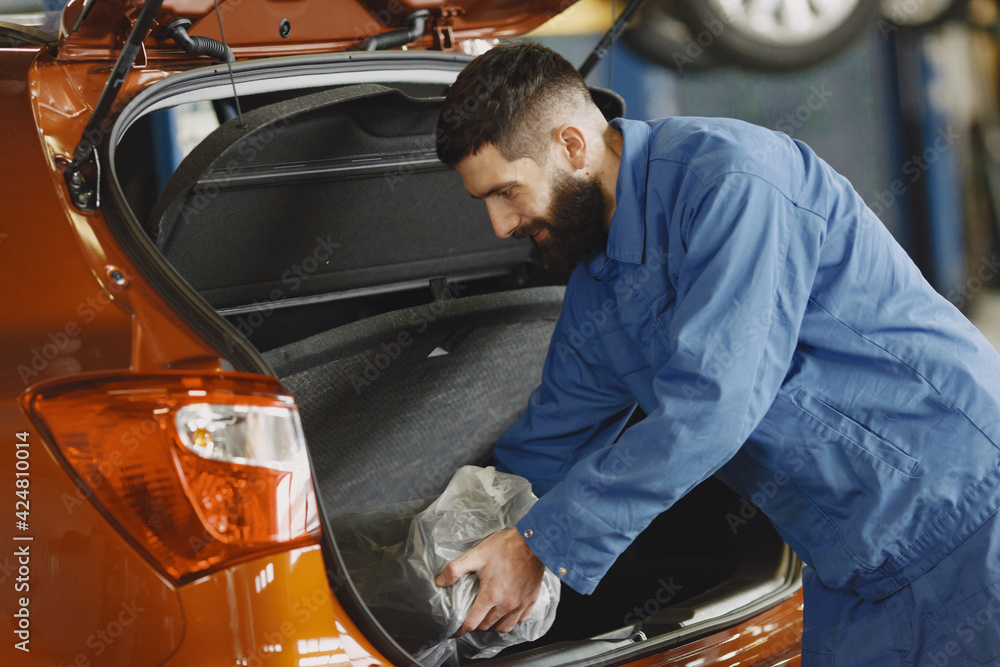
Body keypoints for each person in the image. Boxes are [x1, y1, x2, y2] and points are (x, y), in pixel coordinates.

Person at [431, 41, 1000, 664]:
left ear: (571, 145)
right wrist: (441, 556)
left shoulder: (732, 181)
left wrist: (540, 544)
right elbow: (546, 442)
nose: (501, 225)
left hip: (965, 515)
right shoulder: (600, 285)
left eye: (507, 192)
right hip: (853, 567)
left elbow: (713, 404)